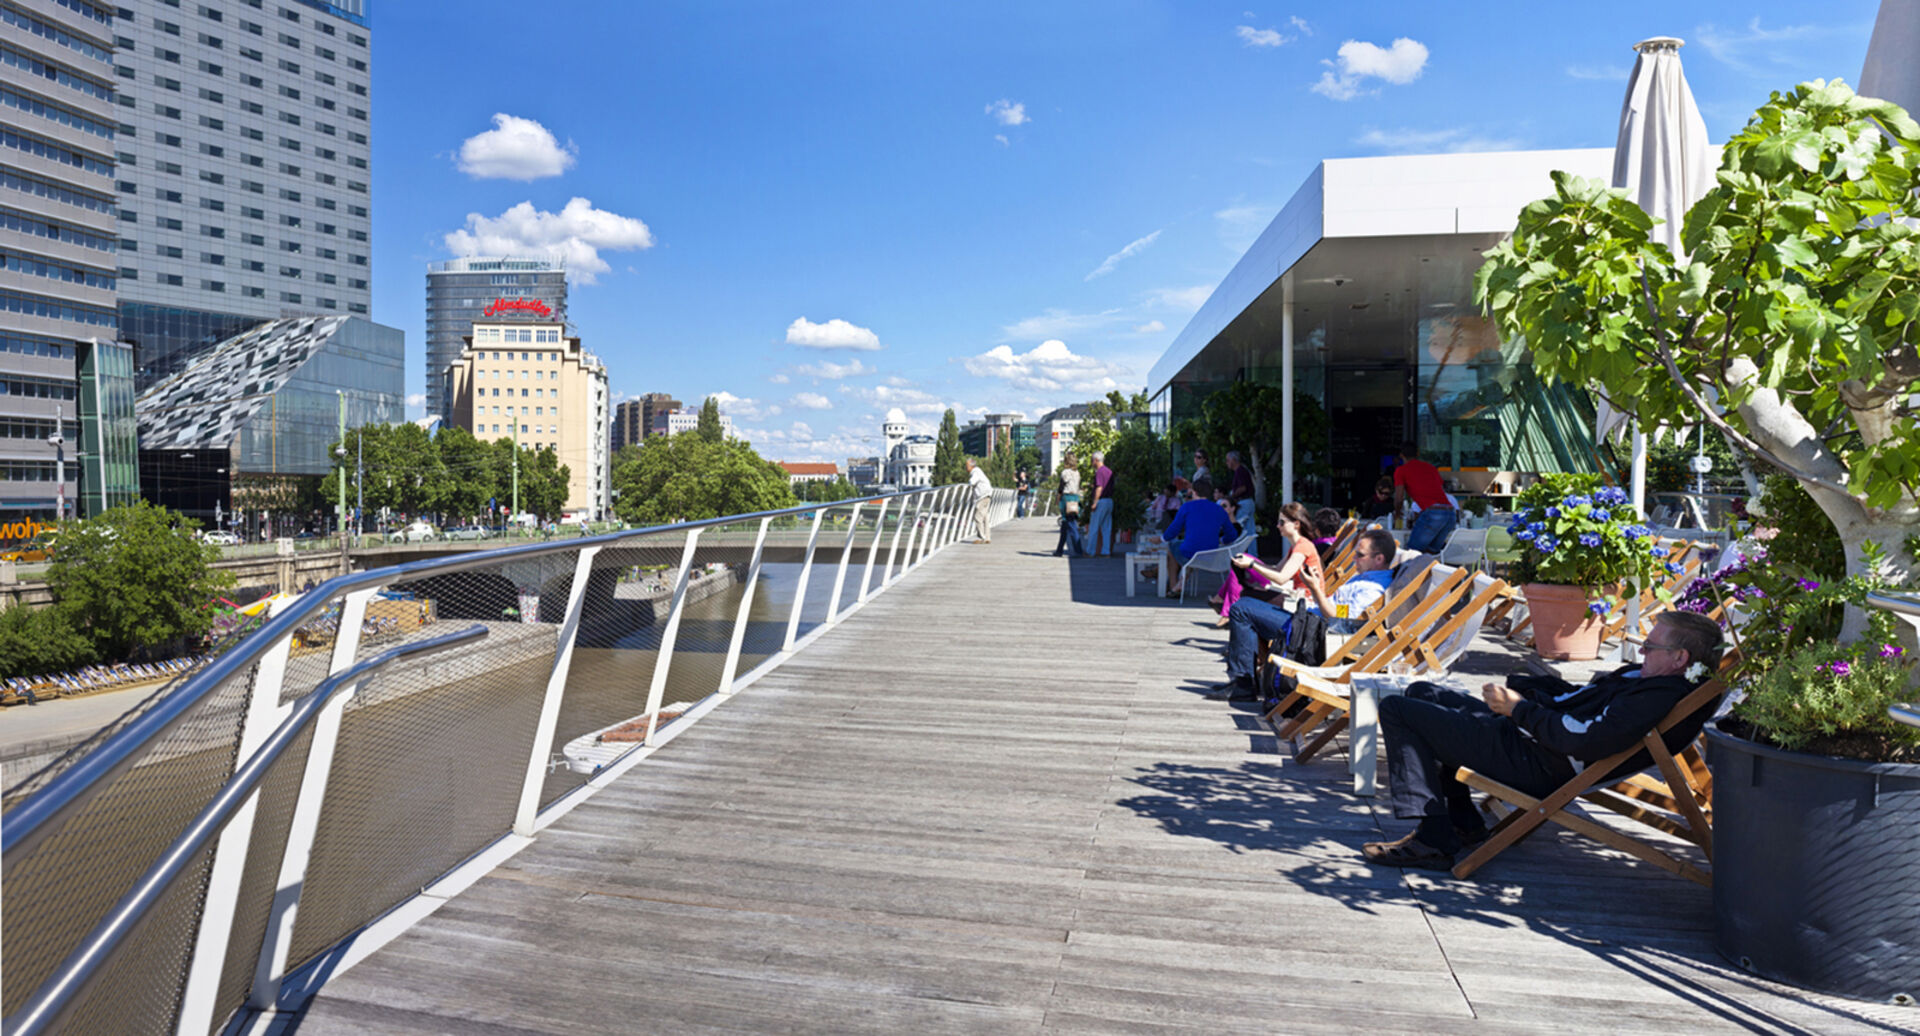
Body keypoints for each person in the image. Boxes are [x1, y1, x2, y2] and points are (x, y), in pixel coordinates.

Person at [1362, 610, 1724, 871]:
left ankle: (1433, 839)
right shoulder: (1647, 679)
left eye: (1650, 646)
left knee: (1397, 710)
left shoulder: (1656, 697)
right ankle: (1462, 821)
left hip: (1539, 763)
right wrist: (1528, 696)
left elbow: (1585, 740)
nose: (1641, 651)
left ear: (1680, 658)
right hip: (1530, 739)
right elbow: (1579, 703)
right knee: (1422, 692)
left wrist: (1519, 710)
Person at [1208, 528, 1397, 700]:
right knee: (1248, 602)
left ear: (1379, 559)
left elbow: (1339, 620)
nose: (1354, 558)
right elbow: (1340, 610)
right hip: (1310, 622)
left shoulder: (1373, 589)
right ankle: (1247, 679)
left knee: (1242, 609)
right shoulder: (1365, 578)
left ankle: (1243, 684)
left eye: (1360, 555)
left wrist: (1315, 589)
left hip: (1314, 634)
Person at [1209, 502, 1321, 630]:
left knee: (1244, 596)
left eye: (1282, 522)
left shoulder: (1302, 547)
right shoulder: (1296, 546)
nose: (1278, 526)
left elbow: (1281, 578)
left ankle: (1232, 620)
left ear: (1296, 524)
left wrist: (1252, 564)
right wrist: (1251, 564)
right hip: (1298, 599)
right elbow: (1277, 569)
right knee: (1244, 588)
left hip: (1305, 605)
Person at [1162, 478, 1233, 597]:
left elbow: (1173, 530)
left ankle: (1173, 587)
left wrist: (1162, 539)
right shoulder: (1219, 509)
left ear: (1194, 492)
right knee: (1185, 548)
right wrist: (1222, 540)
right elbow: (1232, 535)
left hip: (1190, 553)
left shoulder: (1187, 507)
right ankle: (1179, 583)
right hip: (1212, 555)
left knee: (1172, 547)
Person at [1393, 442, 1456, 554]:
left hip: (1433, 513)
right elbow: (1440, 490)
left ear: (1401, 455)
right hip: (1450, 514)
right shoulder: (1431, 468)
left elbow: (1399, 498)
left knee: (1411, 553)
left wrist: (1397, 514)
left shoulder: (1401, 470)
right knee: (1431, 553)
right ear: (1418, 453)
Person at [1052, 456, 1086, 557]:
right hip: (1075, 498)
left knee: (1071, 525)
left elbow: (1061, 487)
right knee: (1065, 525)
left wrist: (1057, 499)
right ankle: (1059, 550)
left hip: (1067, 498)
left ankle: (1078, 551)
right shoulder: (1077, 473)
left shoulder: (1065, 472)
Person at [1088, 451, 1117, 557]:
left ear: (1096, 460)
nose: (1091, 462)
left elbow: (1099, 487)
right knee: (1106, 528)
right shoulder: (1109, 471)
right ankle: (1106, 551)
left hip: (1101, 501)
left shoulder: (1099, 472)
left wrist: (1095, 502)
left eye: (1092, 460)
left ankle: (1090, 551)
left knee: (1094, 527)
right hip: (1109, 501)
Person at [1225, 451, 1256, 532]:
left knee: (1239, 527)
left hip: (1244, 502)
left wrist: (1231, 497)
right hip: (1249, 501)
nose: (1226, 462)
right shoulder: (1241, 470)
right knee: (1249, 530)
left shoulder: (1240, 471)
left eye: (1228, 460)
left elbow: (1242, 488)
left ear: (1233, 460)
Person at [965, 457, 994, 544]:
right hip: (987, 495)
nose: (966, 467)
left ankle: (982, 537)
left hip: (982, 496)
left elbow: (972, 482)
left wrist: (969, 483)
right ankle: (987, 538)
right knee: (985, 517)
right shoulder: (978, 471)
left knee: (977, 517)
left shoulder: (975, 471)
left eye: (967, 465)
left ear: (971, 466)